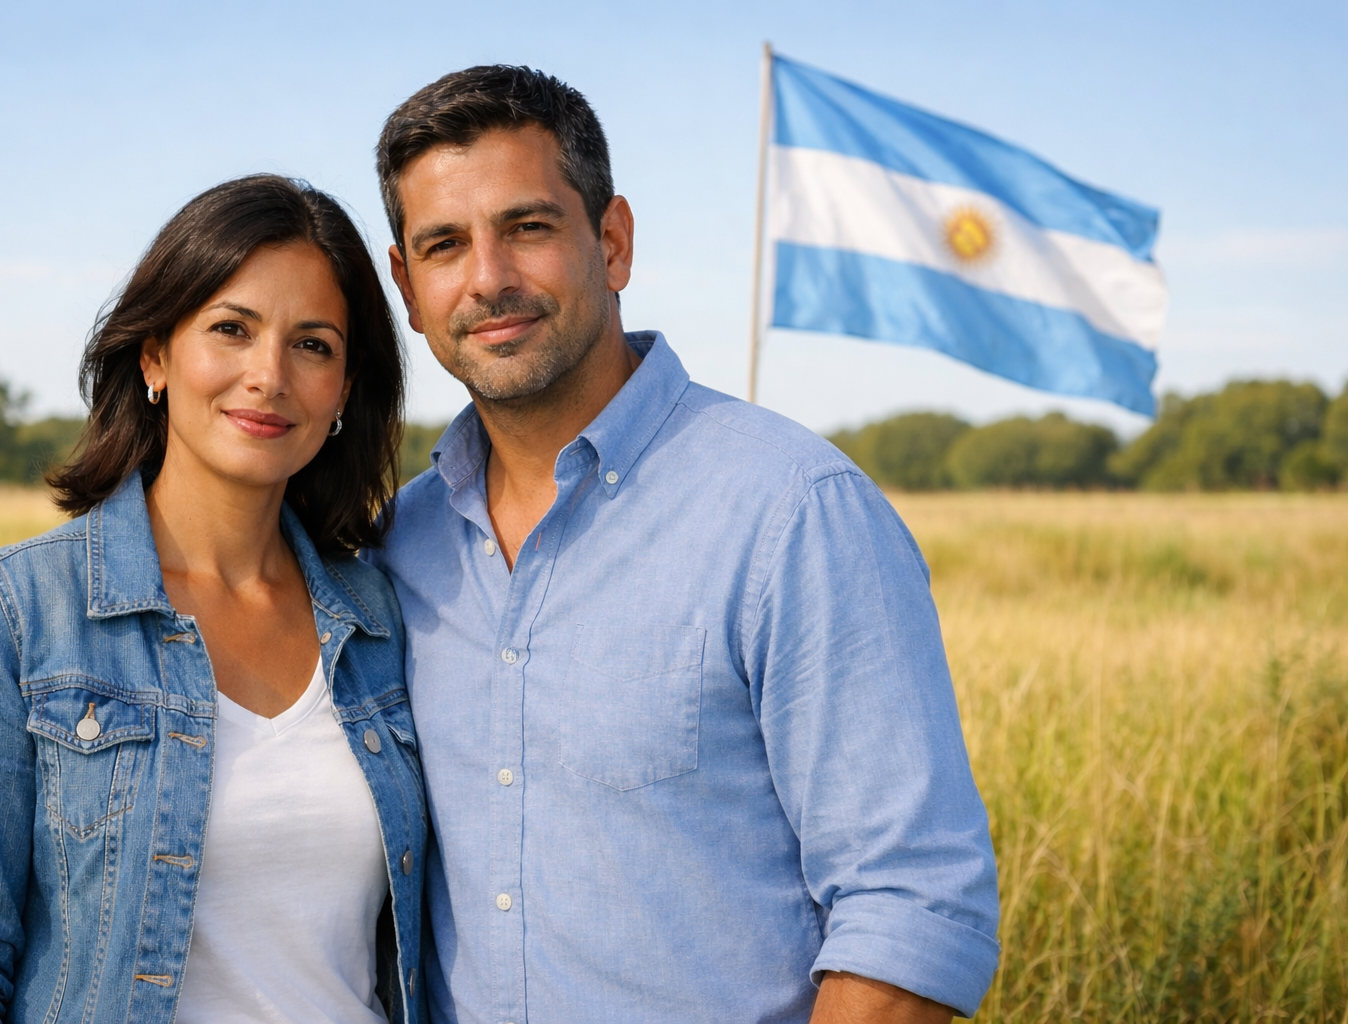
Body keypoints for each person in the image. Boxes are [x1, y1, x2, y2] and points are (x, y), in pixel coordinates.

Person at [367, 66, 1000, 1023]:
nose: (488, 278)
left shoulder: (792, 511)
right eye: (445, 245)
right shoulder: (397, 548)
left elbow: (911, 906)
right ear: (408, 288)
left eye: (528, 227)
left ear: (612, 242)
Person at [0, 175, 428, 1024]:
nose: (269, 375)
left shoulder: (382, 618)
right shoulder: (15, 614)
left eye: (313, 345)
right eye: (232, 329)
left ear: (345, 390)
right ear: (155, 356)